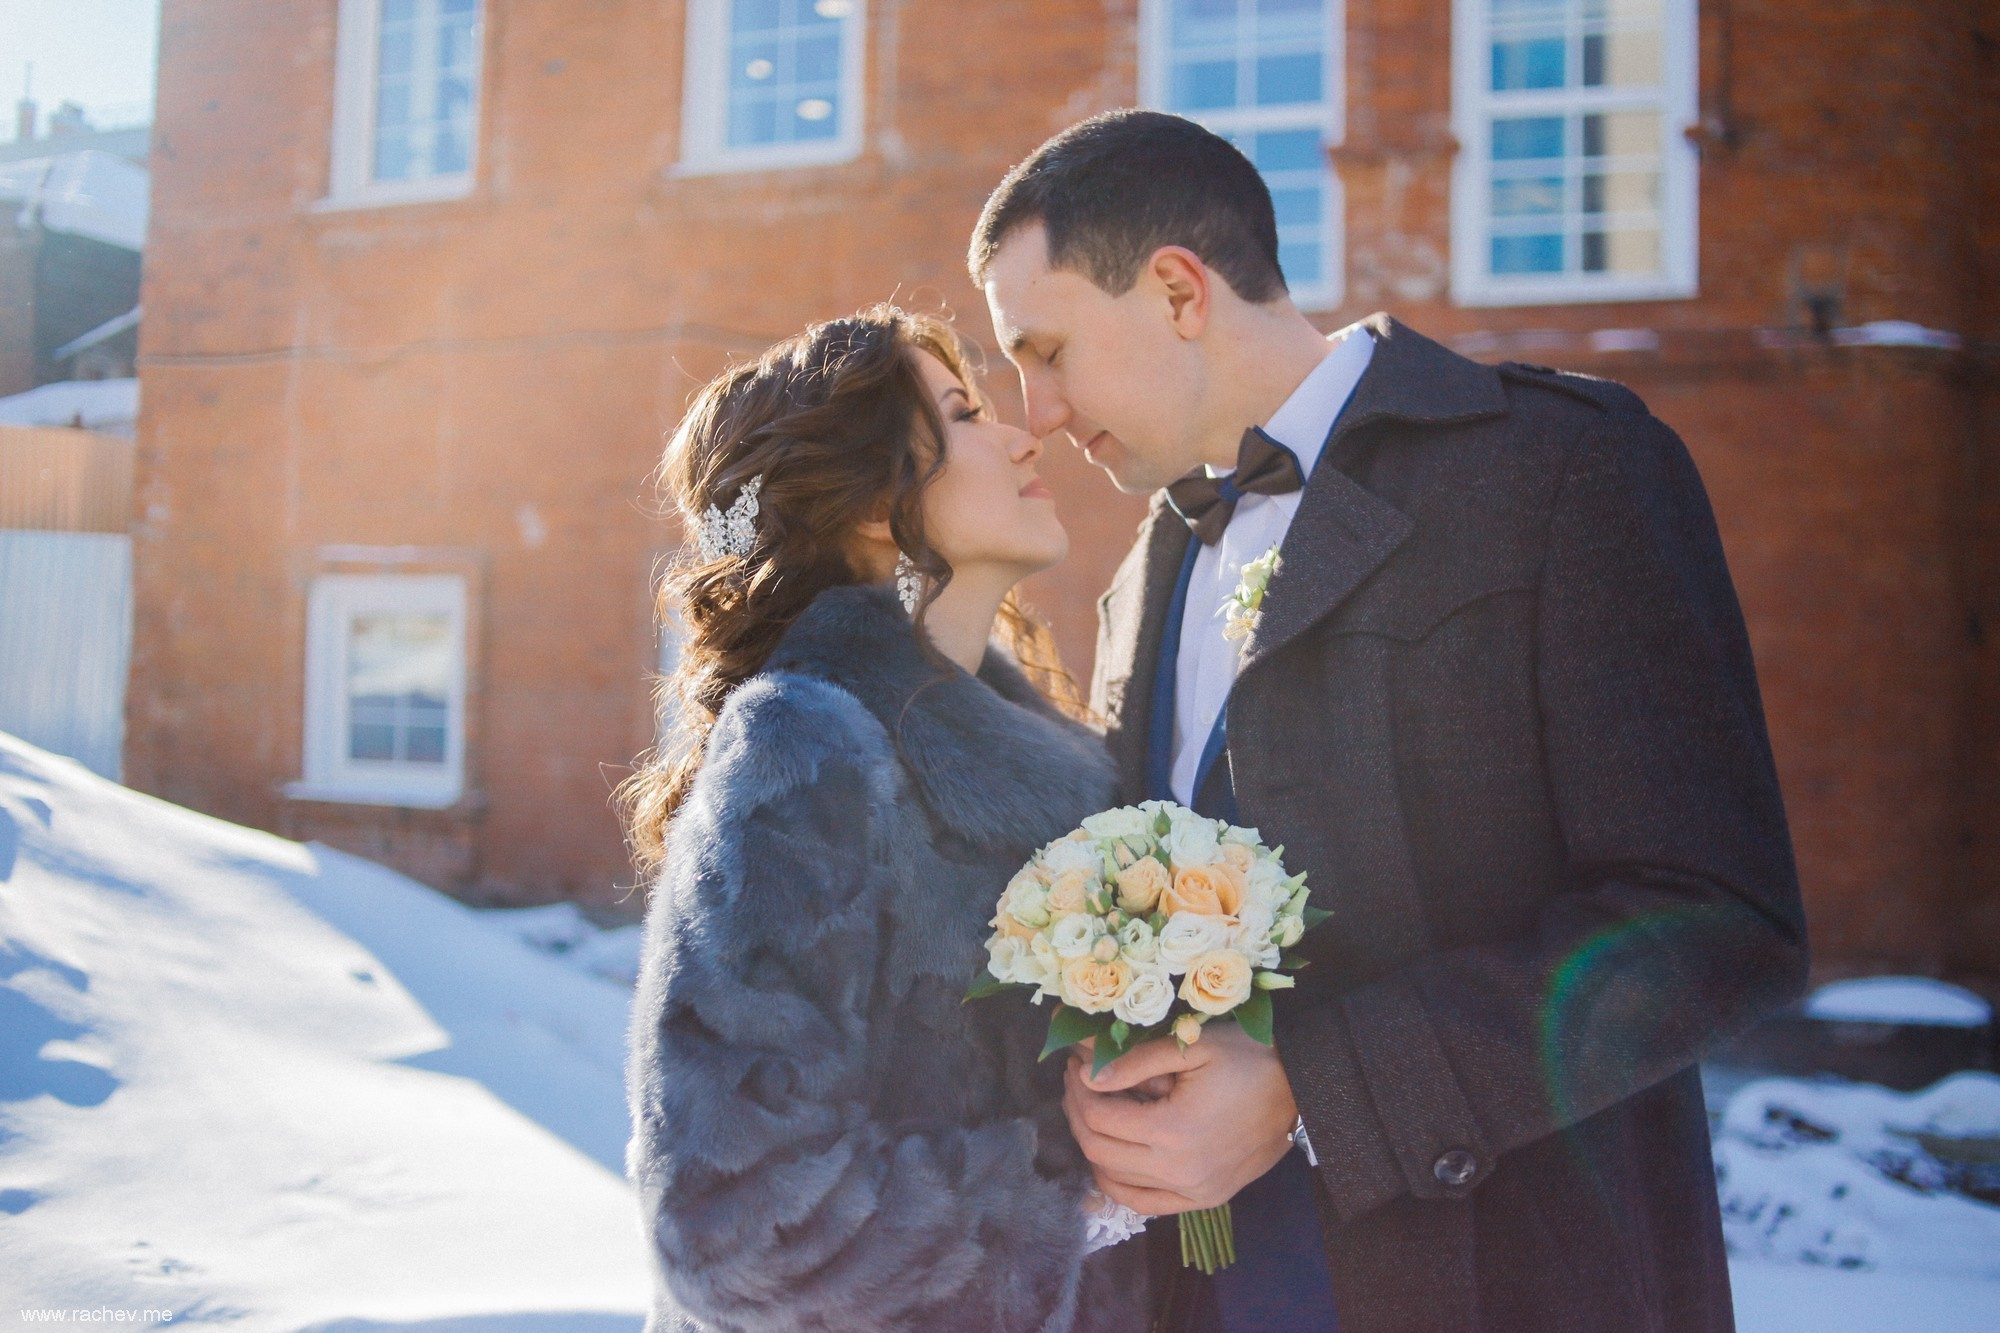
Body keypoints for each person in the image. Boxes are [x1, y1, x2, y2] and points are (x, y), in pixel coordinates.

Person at [970, 110, 1810, 1332]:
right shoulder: (1148, 569)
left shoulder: (1556, 469)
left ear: (1175, 290)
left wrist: (1312, 1092)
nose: (1033, 409)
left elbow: (1716, 921)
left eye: (1042, 349)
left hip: (1506, 1283)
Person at [618, 305, 1152, 1331]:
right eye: (962, 412)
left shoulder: (1065, 757)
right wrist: (1078, 1177)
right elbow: (734, 1226)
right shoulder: (806, 743)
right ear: (874, 500)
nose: (1020, 434)